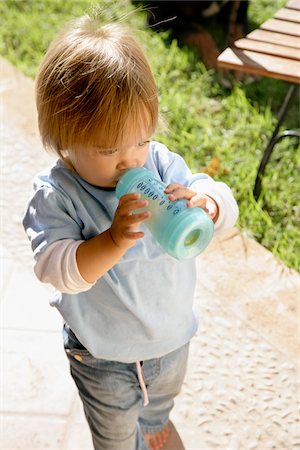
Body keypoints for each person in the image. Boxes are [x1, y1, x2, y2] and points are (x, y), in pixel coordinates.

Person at [23, 13, 238, 450]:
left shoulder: (157, 164)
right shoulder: (58, 195)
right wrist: (113, 240)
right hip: (102, 355)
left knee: (161, 402)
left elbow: (217, 198)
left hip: (172, 337)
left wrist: (207, 204)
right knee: (116, 436)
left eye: (139, 139)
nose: (129, 161)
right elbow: (56, 269)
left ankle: (155, 422)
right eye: (108, 149)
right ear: (65, 140)